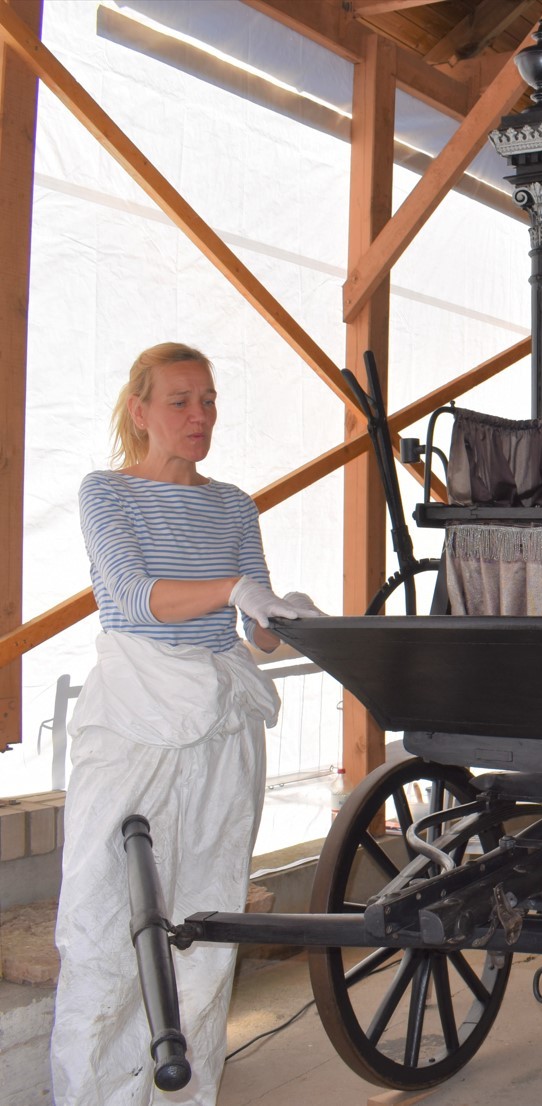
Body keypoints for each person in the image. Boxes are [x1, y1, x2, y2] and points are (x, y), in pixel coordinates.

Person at [50, 342, 325, 1106]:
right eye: (180, 400)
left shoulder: (234, 504)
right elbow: (135, 599)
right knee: (106, 927)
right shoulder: (107, 493)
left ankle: (182, 1097)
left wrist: (282, 619)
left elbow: (256, 622)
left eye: (207, 400)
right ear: (140, 410)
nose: (199, 415)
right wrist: (236, 589)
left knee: (205, 927)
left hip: (221, 727)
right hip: (137, 718)